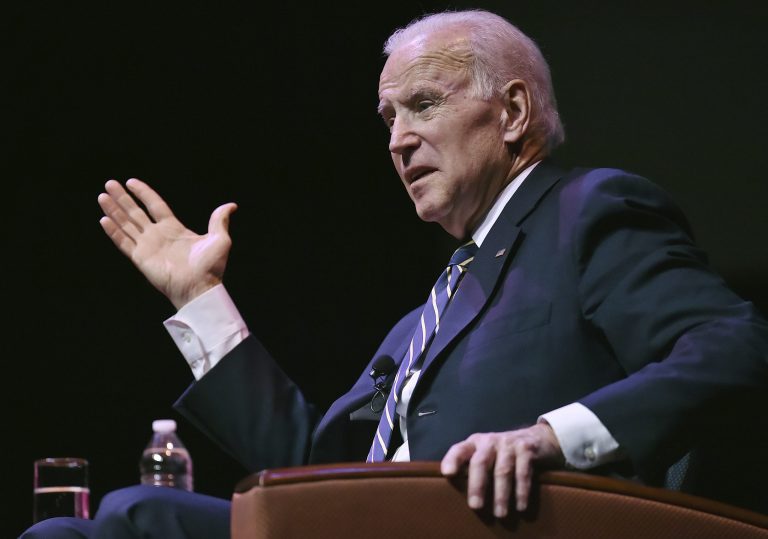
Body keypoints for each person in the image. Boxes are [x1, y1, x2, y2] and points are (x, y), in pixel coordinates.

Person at [21, 8, 768, 539]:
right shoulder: (427, 315)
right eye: (387, 119)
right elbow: (311, 475)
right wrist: (198, 296)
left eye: (423, 105)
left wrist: (546, 439)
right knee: (93, 524)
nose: (399, 141)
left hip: (499, 525)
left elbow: (736, 348)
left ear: (511, 112)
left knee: (135, 520)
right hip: (380, 523)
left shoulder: (587, 212)